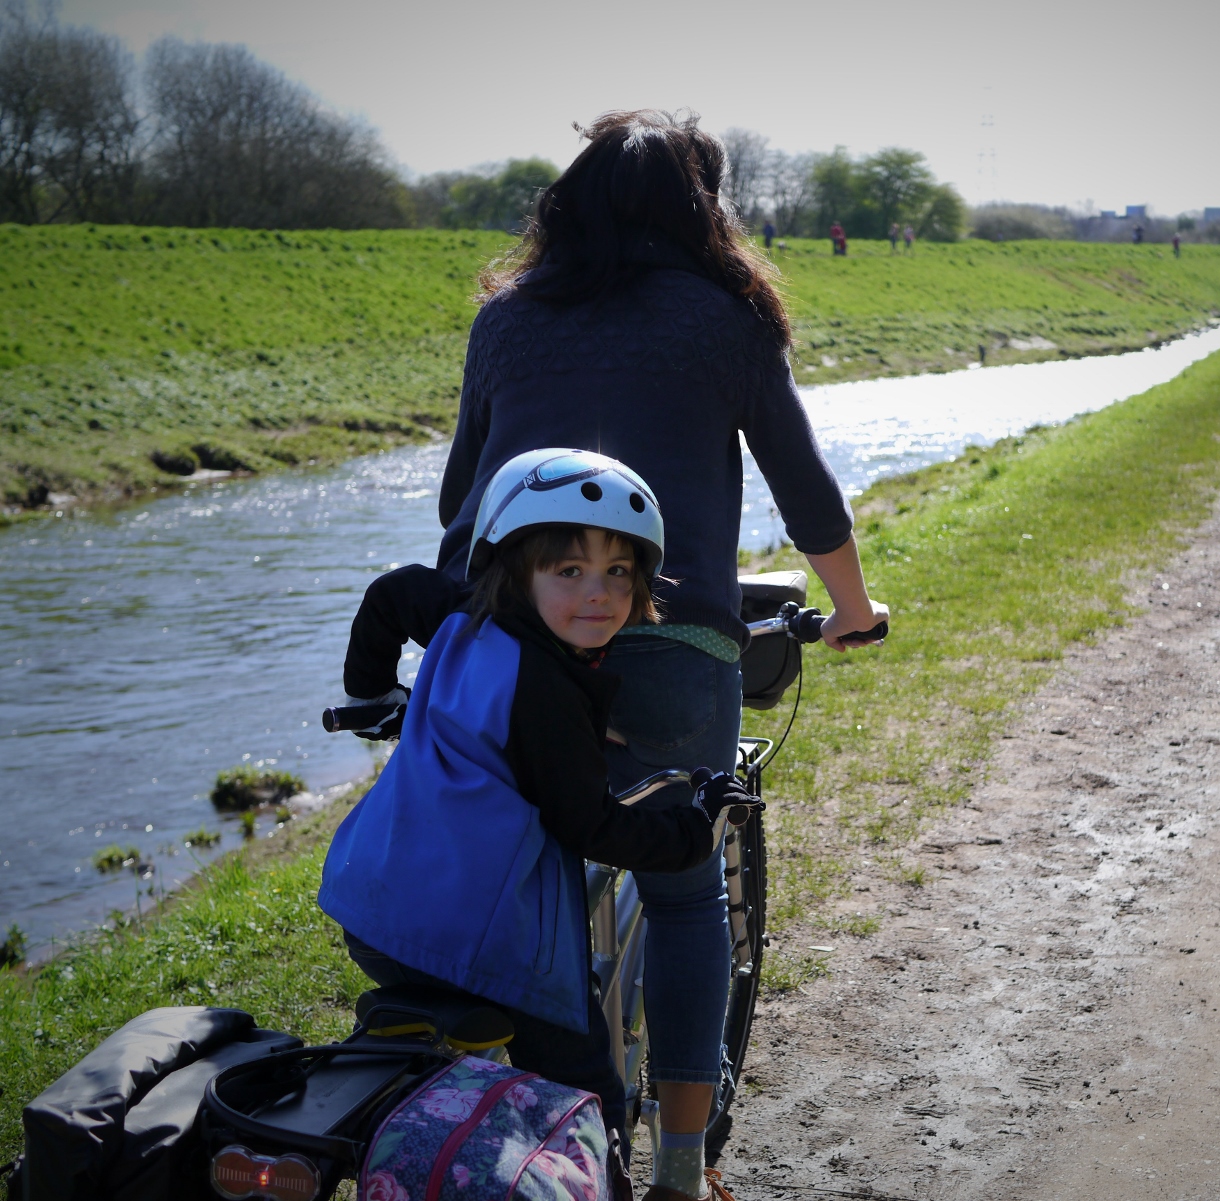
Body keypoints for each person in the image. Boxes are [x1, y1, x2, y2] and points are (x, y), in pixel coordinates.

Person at [434, 109, 888, 1201]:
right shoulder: (726, 318)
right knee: (683, 896)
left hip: (507, 644)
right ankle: (682, 1170)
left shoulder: (507, 320)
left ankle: (513, 1133)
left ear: (567, 207)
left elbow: (462, 500)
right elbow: (804, 487)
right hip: (674, 640)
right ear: (702, 212)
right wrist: (852, 608)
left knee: (517, 875)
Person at [319, 448, 758, 1161]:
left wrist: (370, 692)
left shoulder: (462, 613)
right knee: (587, 1094)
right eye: (569, 571)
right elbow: (591, 825)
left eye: (620, 571)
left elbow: (392, 593)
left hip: (372, 912)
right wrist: (694, 829)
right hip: (485, 944)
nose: (600, 594)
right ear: (517, 569)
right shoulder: (548, 693)